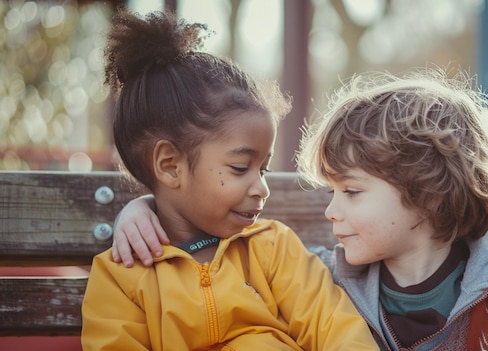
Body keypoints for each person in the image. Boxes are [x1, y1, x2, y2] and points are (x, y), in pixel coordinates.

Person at [112, 68, 488, 350]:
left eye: (351, 192)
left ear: (425, 194)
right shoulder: (329, 277)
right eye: (331, 193)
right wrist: (146, 205)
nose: (331, 212)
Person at [81, 9, 378, 351]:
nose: (261, 188)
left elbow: (334, 327)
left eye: (263, 169)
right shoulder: (121, 277)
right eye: (240, 168)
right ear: (170, 166)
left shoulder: (272, 248)